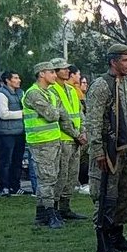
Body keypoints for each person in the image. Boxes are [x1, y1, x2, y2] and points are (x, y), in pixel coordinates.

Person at [84, 44, 127, 252]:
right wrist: (98, 150)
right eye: (126, 60)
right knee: (106, 194)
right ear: (113, 61)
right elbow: (93, 121)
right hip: (108, 150)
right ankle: (104, 236)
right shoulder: (101, 85)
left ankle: (118, 235)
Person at [21, 61, 78, 228]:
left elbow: (62, 114)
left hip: (53, 140)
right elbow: (53, 115)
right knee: (47, 179)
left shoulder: (49, 94)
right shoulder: (33, 94)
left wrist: (59, 113)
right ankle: (50, 213)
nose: (55, 75)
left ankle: (41, 215)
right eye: (51, 72)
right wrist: (57, 112)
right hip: (40, 142)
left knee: (52, 178)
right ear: (41, 74)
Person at [50, 61, 89, 219]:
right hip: (63, 139)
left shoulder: (72, 90)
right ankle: (54, 208)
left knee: (72, 175)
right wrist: (76, 134)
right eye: (63, 69)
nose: (67, 71)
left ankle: (65, 207)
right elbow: (61, 117)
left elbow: (79, 113)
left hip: (75, 140)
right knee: (60, 175)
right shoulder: (52, 90)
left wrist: (84, 131)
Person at [0, 71, 26, 197]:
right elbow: (3, 114)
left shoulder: (20, 93)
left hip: (19, 132)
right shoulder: (1, 94)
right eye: (16, 78)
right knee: (5, 161)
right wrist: (22, 113)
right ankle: (4, 187)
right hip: (5, 133)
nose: (19, 80)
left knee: (17, 160)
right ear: (8, 80)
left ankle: (15, 186)